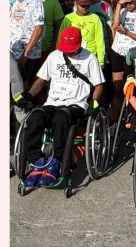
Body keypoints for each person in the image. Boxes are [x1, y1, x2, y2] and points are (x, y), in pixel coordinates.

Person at [20, 27, 104, 188]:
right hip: (52, 103)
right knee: (35, 116)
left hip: (75, 105)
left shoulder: (89, 58)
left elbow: (99, 85)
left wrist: (94, 103)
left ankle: (56, 161)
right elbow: (41, 80)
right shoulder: (54, 56)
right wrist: (29, 95)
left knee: (61, 117)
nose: (69, 52)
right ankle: (36, 161)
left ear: (79, 44)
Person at [9, 0, 45, 86]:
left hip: (26, 56)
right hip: (13, 53)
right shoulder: (16, 3)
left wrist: (25, 54)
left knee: (22, 86)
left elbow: (39, 28)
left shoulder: (35, 2)